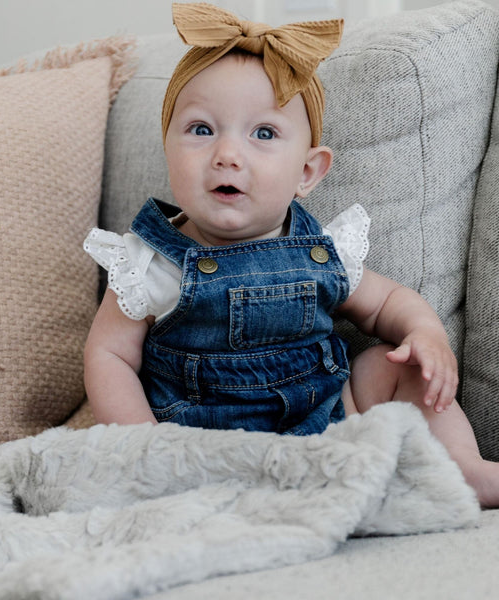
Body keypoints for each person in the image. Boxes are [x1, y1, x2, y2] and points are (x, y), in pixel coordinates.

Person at [83, 3, 499, 507]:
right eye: (201, 129)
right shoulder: (151, 262)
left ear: (308, 172)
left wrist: (426, 333)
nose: (227, 154)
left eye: (263, 134)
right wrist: (147, 450)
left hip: (329, 422)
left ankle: (466, 471)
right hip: (204, 449)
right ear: (167, 148)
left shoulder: (322, 249)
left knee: (400, 367)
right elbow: (108, 356)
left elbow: (387, 302)